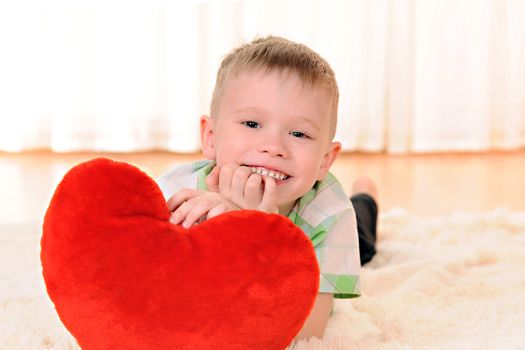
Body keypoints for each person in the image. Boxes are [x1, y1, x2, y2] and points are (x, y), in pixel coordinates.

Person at [156, 35, 378, 342]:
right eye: (251, 124)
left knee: (363, 230)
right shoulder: (174, 194)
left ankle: (366, 195)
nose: (273, 147)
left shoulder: (329, 215)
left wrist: (259, 232)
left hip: (325, 228)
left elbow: (307, 333)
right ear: (211, 136)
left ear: (325, 161)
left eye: (299, 133)